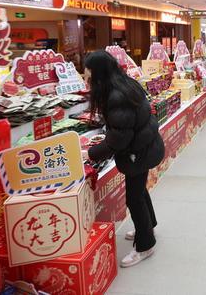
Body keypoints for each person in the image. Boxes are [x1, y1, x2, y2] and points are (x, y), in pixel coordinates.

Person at [83, 51, 164, 267]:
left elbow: (119, 138)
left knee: (134, 198)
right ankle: (148, 226)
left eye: (88, 74)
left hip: (138, 152)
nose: (86, 78)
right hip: (145, 146)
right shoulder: (124, 83)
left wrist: (90, 153)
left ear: (99, 74)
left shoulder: (115, 96)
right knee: (139, 191)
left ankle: (145, 246)